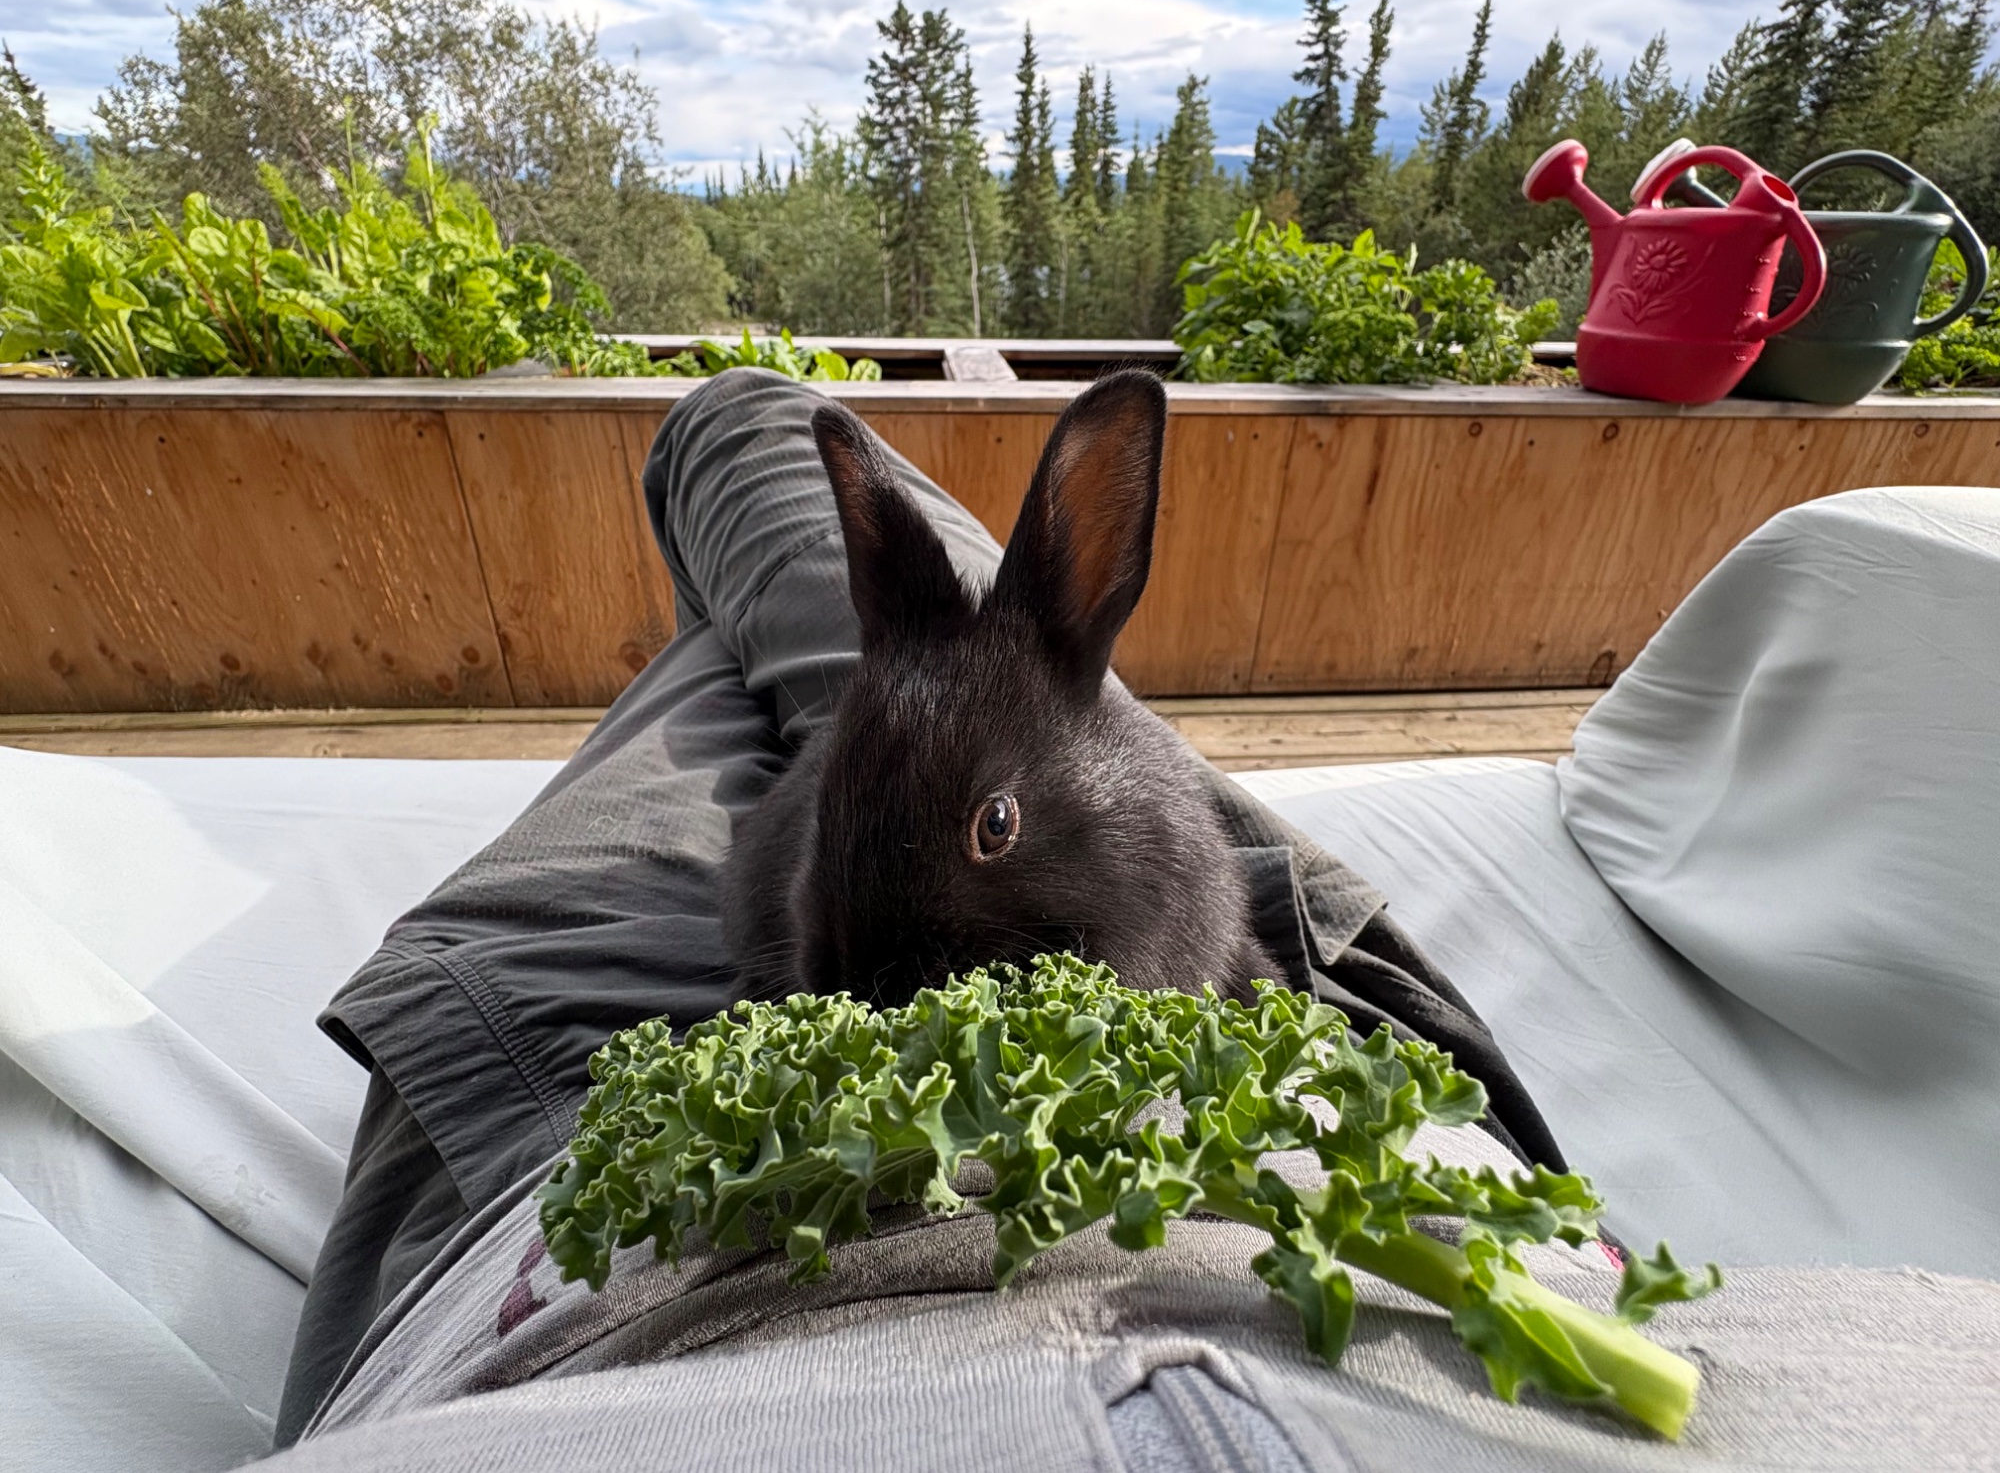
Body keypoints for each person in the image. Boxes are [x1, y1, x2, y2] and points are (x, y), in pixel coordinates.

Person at [274, 367, 1558, 1447]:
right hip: (1262, 1050)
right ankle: (780, 575)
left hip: (559, 1187)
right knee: (830, 606)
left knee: (733, 499)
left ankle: (739, 481)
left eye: (988, 832)